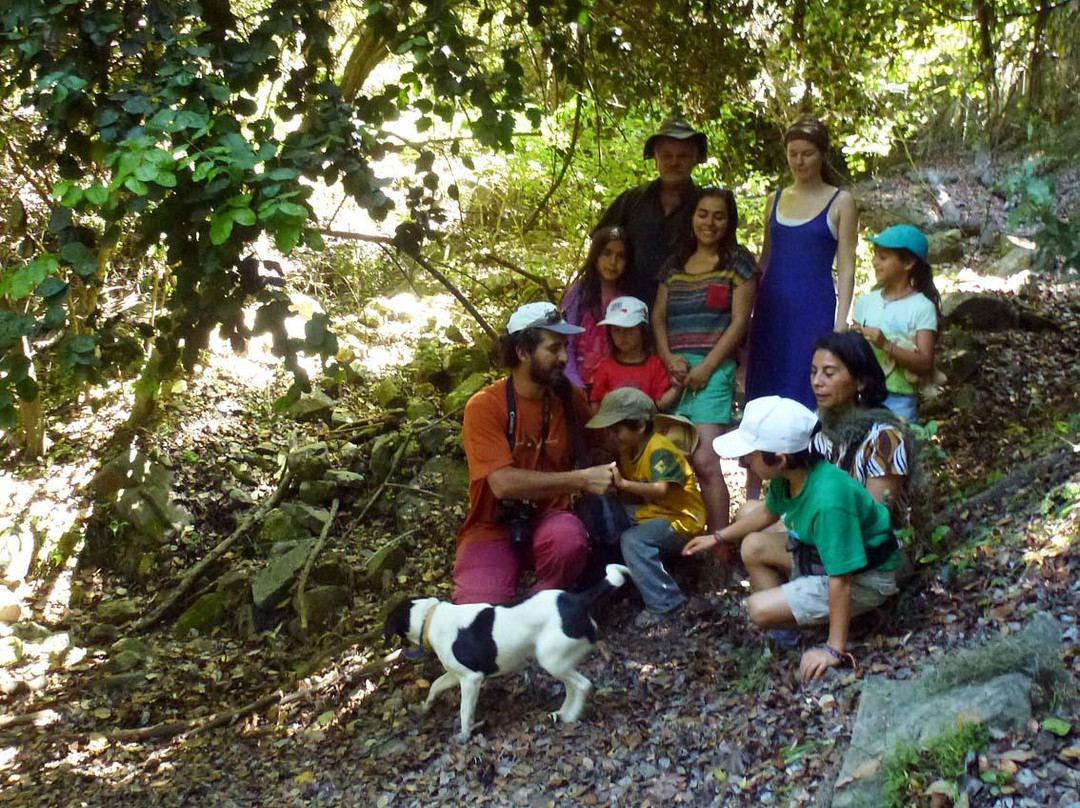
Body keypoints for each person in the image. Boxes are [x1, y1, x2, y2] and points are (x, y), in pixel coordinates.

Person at [682, 396, 900, 683]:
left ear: (780, 458)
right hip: (822, 558)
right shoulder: (792, 477)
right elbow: (768, 514)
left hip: (869, 577)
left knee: (758, 609)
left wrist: (834, 650)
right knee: (753, 545)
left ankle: (812, 630)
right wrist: (717, 537)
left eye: (751, 454)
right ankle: (787, 634)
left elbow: (842, 580)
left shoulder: (829, 500)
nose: (744, 461)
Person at [454, 301, 619, 605]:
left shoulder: (567, 397)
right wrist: (581, 479)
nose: (563, 357)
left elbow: (603, 441)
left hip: (551, 518)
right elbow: (502, 483)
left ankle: (540, 603)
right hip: (492, 525)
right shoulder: (484, 406)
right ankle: (516, 603)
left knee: (568, 542)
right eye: (553, 348)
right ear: (523, 352)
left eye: (564, 347)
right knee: (476, 607)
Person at [743, 117, 859, 499]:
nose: (799, 161)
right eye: (792, 154)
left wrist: (841, 324)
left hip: (813, 310)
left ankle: (801, 492)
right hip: (771, 313)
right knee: (763, 396)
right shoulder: (774, 198)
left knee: (805, 394)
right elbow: (765, 259)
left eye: (807, 153)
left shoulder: (840, 200)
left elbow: (846, 266)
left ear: (822, 155)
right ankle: (755, 494)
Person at [652, 187, 757, 531]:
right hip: (674, 373)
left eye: (719, 215)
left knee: (706, 460)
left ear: (729, 221)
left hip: (713, 372)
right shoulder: (674, 264)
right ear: (692, 217)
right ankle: (679, 536)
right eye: (703, 214)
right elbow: (658, 318)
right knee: (671, 458)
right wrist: (669, 360)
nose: (709, 223)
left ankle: (719, 547)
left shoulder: (738, 263)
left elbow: (741, 321)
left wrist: (708, 367)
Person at [585, 387, 705, 627]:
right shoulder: (628, 449)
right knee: (609, 521)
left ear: (639, 426)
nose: (611, 435)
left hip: (682, 519)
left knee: (633, 540)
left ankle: (666, 603)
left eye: (616, 429)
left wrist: (623, 484)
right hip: (655, 513)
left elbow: (661, 489)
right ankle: (616, 584)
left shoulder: (658, 448)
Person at [810, 331, 919, 530]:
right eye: (813, 371)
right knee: (748, 512)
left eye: (829, 373)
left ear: (860, 381)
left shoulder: (885, 438)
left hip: (863, 545)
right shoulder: (817, 426)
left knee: (755, 545)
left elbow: (875, 518)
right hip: (823, 527)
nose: (817, 381)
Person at [595, 116, 707, 307]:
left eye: (682, 156)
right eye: (666, 155)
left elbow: (724, 262)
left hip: (686, 312)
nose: (674, 162)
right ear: (655, 159)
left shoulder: (707, 207)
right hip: (628, 312)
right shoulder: (631, 201)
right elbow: (599, 250)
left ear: (694, 160)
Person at [849, 225, 942, 421]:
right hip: (862, 396)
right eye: (875, 256)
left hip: (900, 402)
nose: (875, 262)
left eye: (883, 257)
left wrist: (885, 345)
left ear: (908, 262)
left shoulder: (922, 307)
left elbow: (925, 363)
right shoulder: (866, 302)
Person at [561, 227, 633, 390]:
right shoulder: (578, 295)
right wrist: (575, 385)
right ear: (595, 256)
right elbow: (566, 344)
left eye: (620, 256)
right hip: (577, 384)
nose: (613, 262)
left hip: (613, 388)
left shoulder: (627, 301)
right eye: (607, 253)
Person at [589, 296, 680, 412]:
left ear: (642, 330)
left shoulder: (655, 364)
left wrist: (678, 387)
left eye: (629, 328)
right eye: (617, 330)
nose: (623, 335)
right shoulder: (605, 368)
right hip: (614, 428)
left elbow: (660, 402)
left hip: (647, 427)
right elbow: (596, 404)